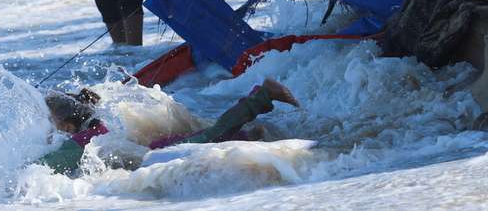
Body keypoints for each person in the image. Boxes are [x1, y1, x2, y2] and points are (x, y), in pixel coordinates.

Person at [37, 79, 300, 176]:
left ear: (69, 125)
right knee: (211, 141)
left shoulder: (83, 141)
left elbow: (46, 166)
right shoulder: (96, 129)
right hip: (155, 148)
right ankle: (249, 134)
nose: (49, 129)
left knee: (211, 136)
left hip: (158, 154)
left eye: (52, 123)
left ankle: (263, 95)